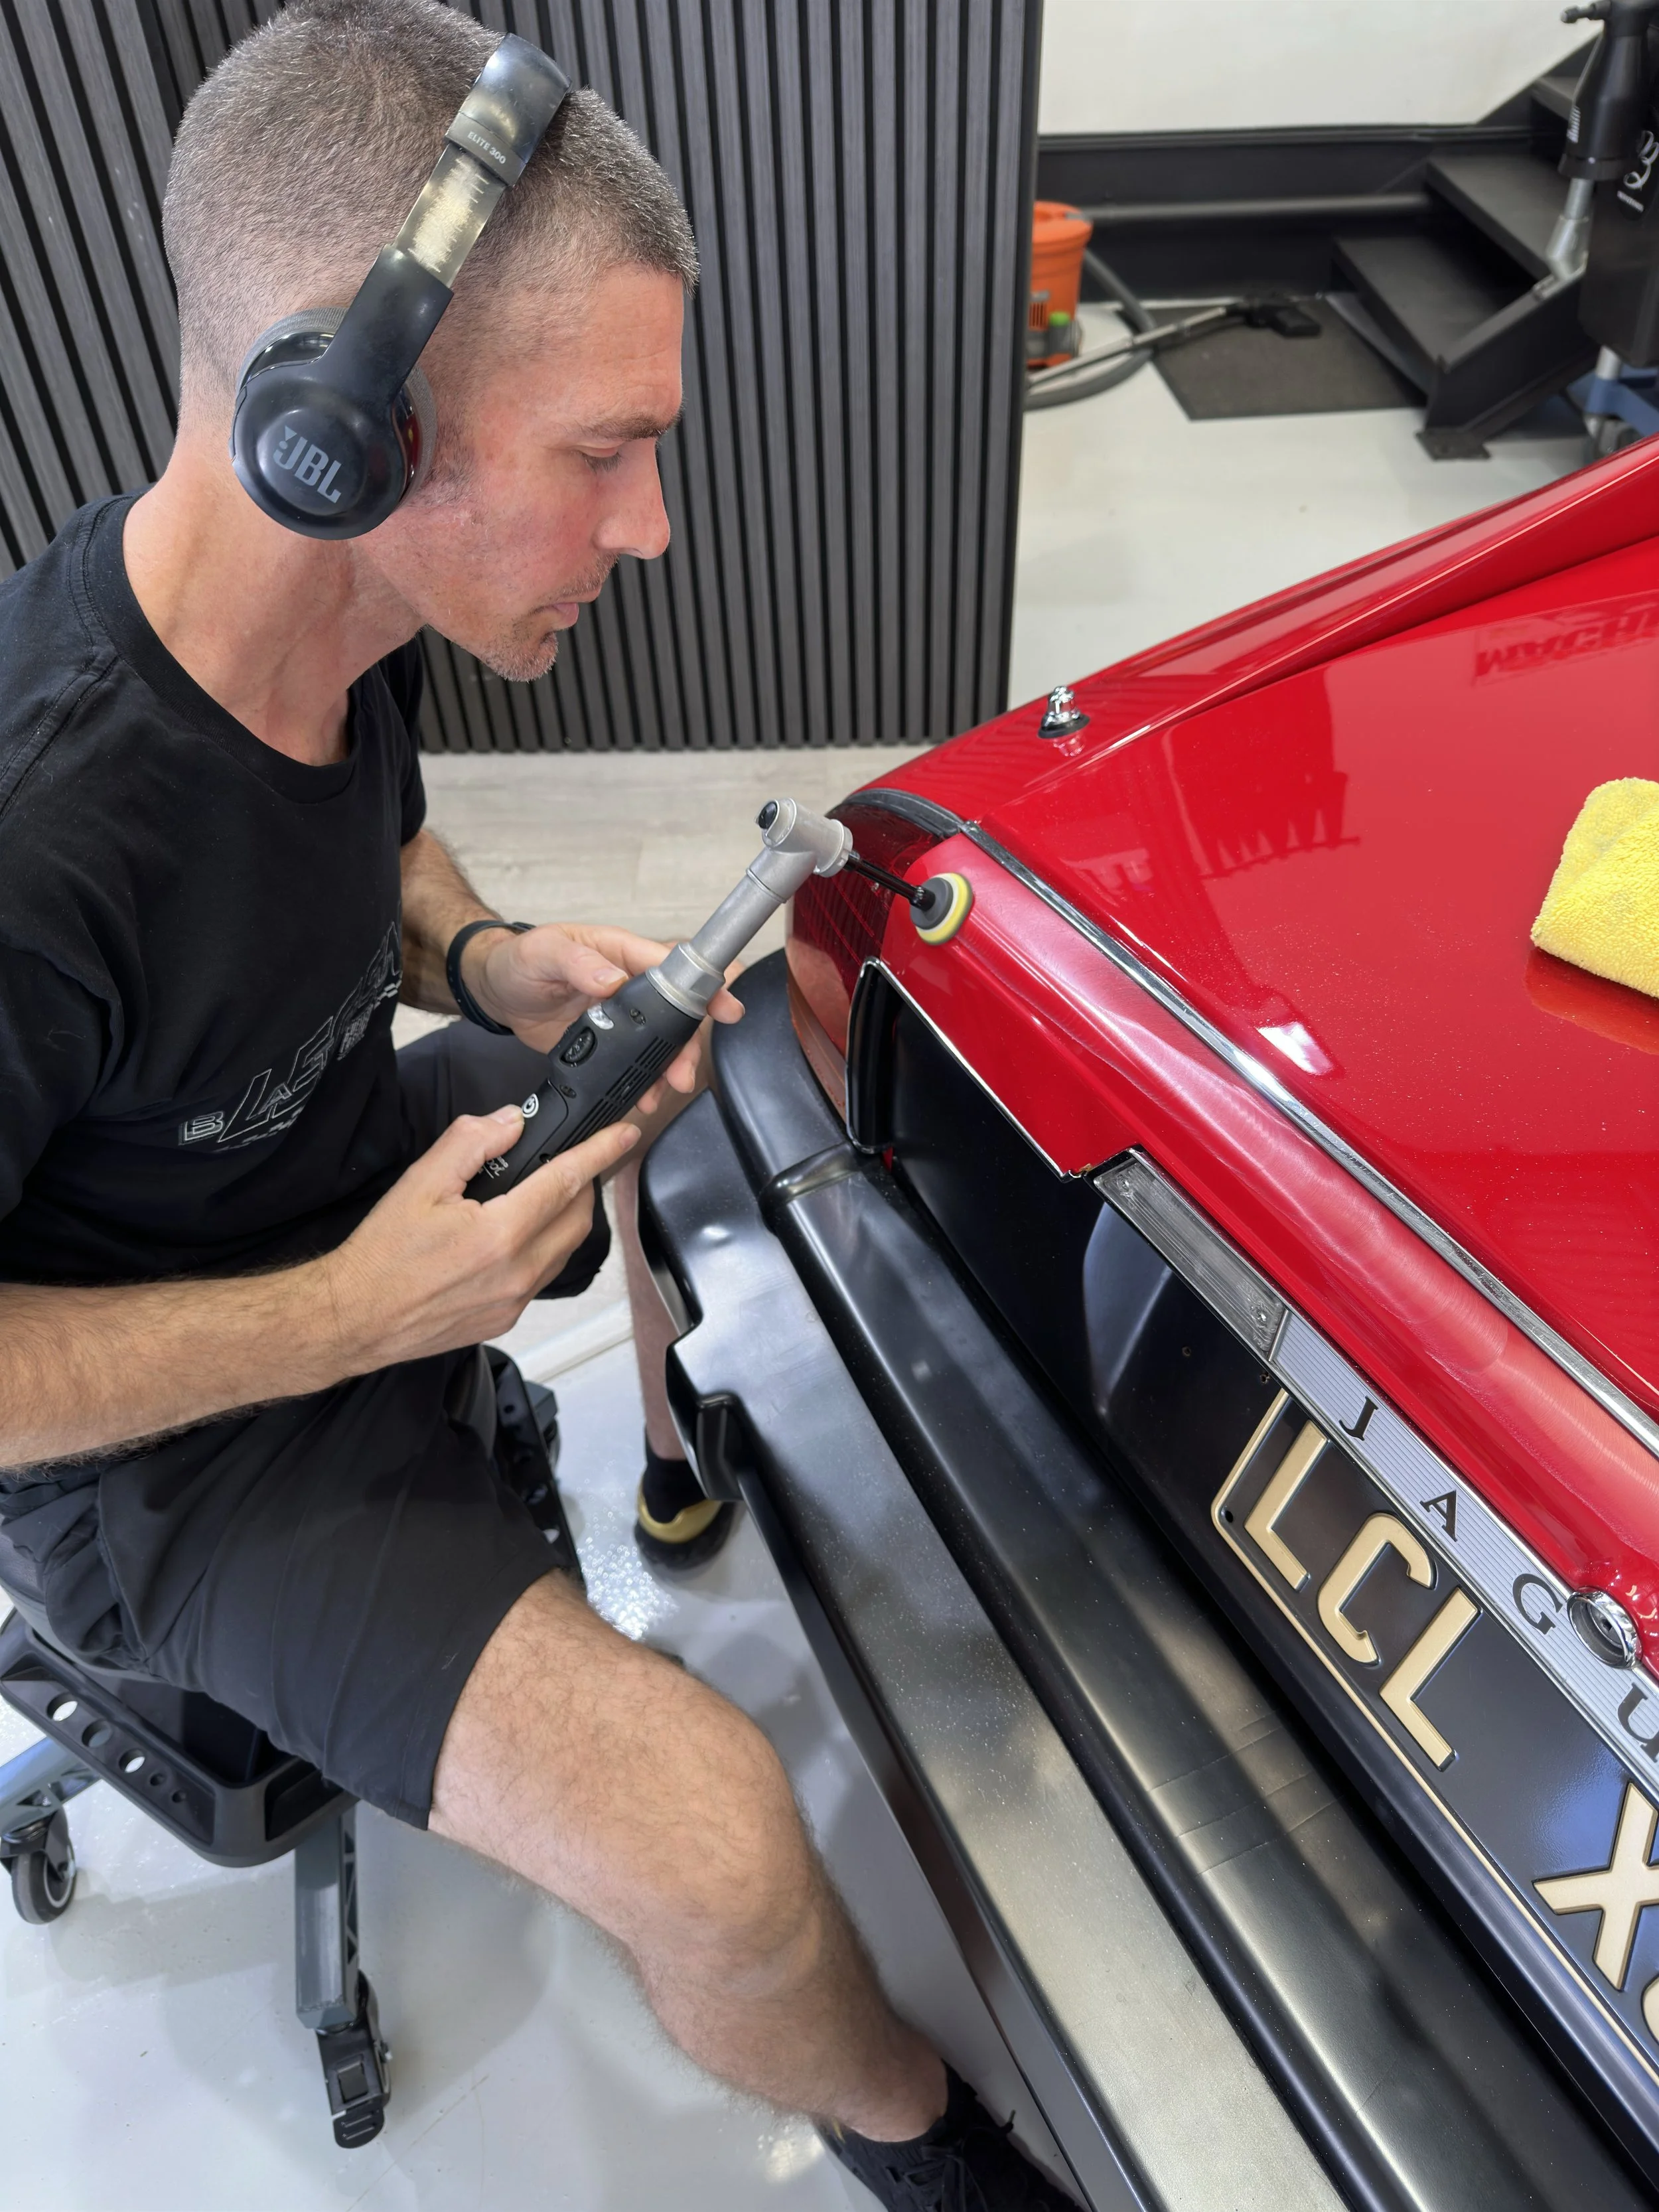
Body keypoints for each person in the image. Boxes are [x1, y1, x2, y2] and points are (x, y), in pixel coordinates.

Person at [0, 5, 1076, 2206]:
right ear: (345, 430)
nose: (650, 527)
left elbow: (374, 840)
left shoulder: (334, 607)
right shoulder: (39, 836)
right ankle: (933, 2151)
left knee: (684, 1080)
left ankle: (674, 1462)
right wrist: (361, 1314)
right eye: (602, 453)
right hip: (171, 1460)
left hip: (340, 1198)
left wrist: (478, 956)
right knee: (723, 1854)